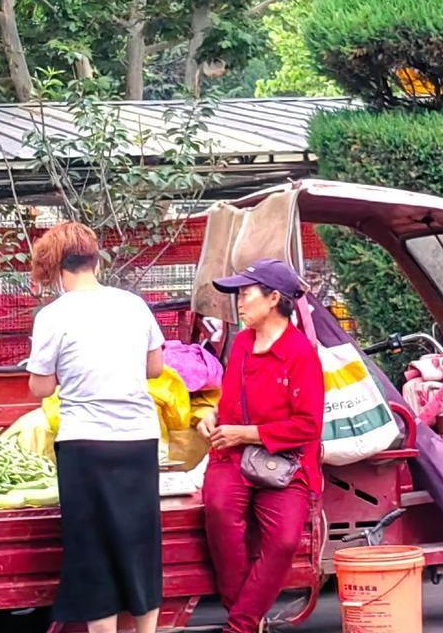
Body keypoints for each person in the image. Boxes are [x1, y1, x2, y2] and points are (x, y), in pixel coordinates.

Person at [25, 222, 165, 633]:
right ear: (94, 260)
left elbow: (40, 387)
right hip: (138, 438)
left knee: (93, 548)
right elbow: (155, 367)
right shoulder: (133, 304)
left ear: (54, 267)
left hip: (85, 443)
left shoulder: (53, 315)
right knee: (140, 541)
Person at [197, 258, 325, 633]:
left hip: (286, 461)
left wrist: (246, 433)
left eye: (245, 293)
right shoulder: (241, 345)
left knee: (284, 541)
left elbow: (308, 424)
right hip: (233, 456)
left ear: (273, 298)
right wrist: (214, 418)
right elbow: (230, 403)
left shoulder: (301, 353)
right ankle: (246, 620)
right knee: (220, 511)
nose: (239, 301)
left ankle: (240, 623)